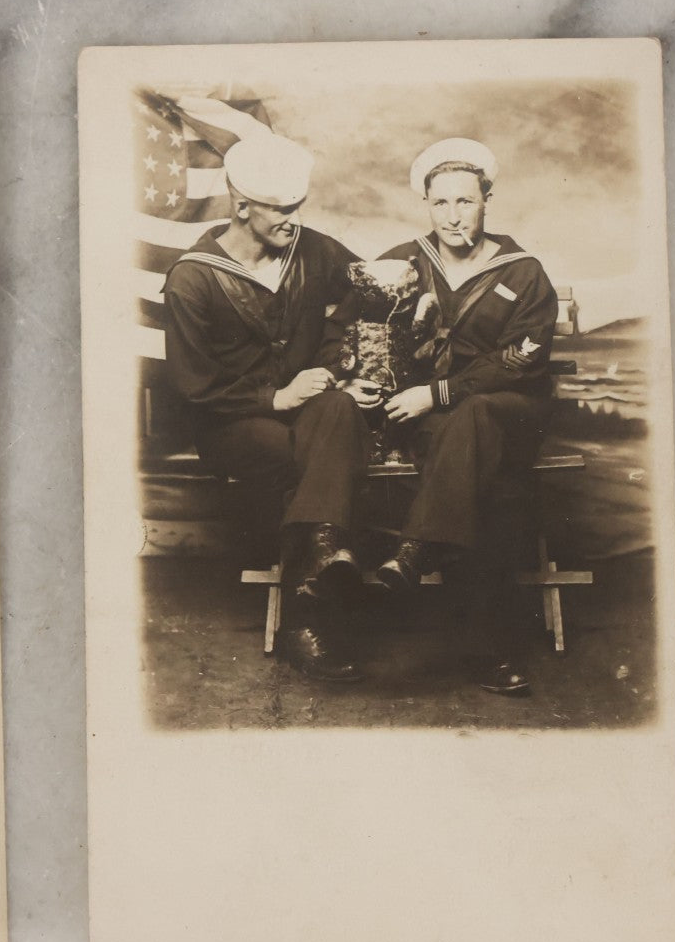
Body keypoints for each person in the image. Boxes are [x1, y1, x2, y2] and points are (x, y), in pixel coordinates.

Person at [162, 133, 378, 682]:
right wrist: (275, 398)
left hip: (308, 407)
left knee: (339, 411)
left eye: (296, 206)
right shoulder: (192, 279)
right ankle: (316, 603)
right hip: (231, 422)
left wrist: (335, 361)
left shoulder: (314, 250)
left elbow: (366, 289)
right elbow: (193, 385)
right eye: (281, 209)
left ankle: (318, 574)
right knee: (296, 454)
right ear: (242, 207)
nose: (292, 218)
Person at [373, 139, 559, 696]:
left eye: (466, 202)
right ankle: (490, 653)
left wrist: (437, 392)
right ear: (427, 206)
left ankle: (414, 551)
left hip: (510, 413)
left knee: (476, 413)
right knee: (495, 491)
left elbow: (517, 365)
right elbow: (369, 338)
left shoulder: (523, 271)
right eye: (441, 204)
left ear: (487, 201)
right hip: (437, 425)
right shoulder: (404, 263)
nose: (454, 217)